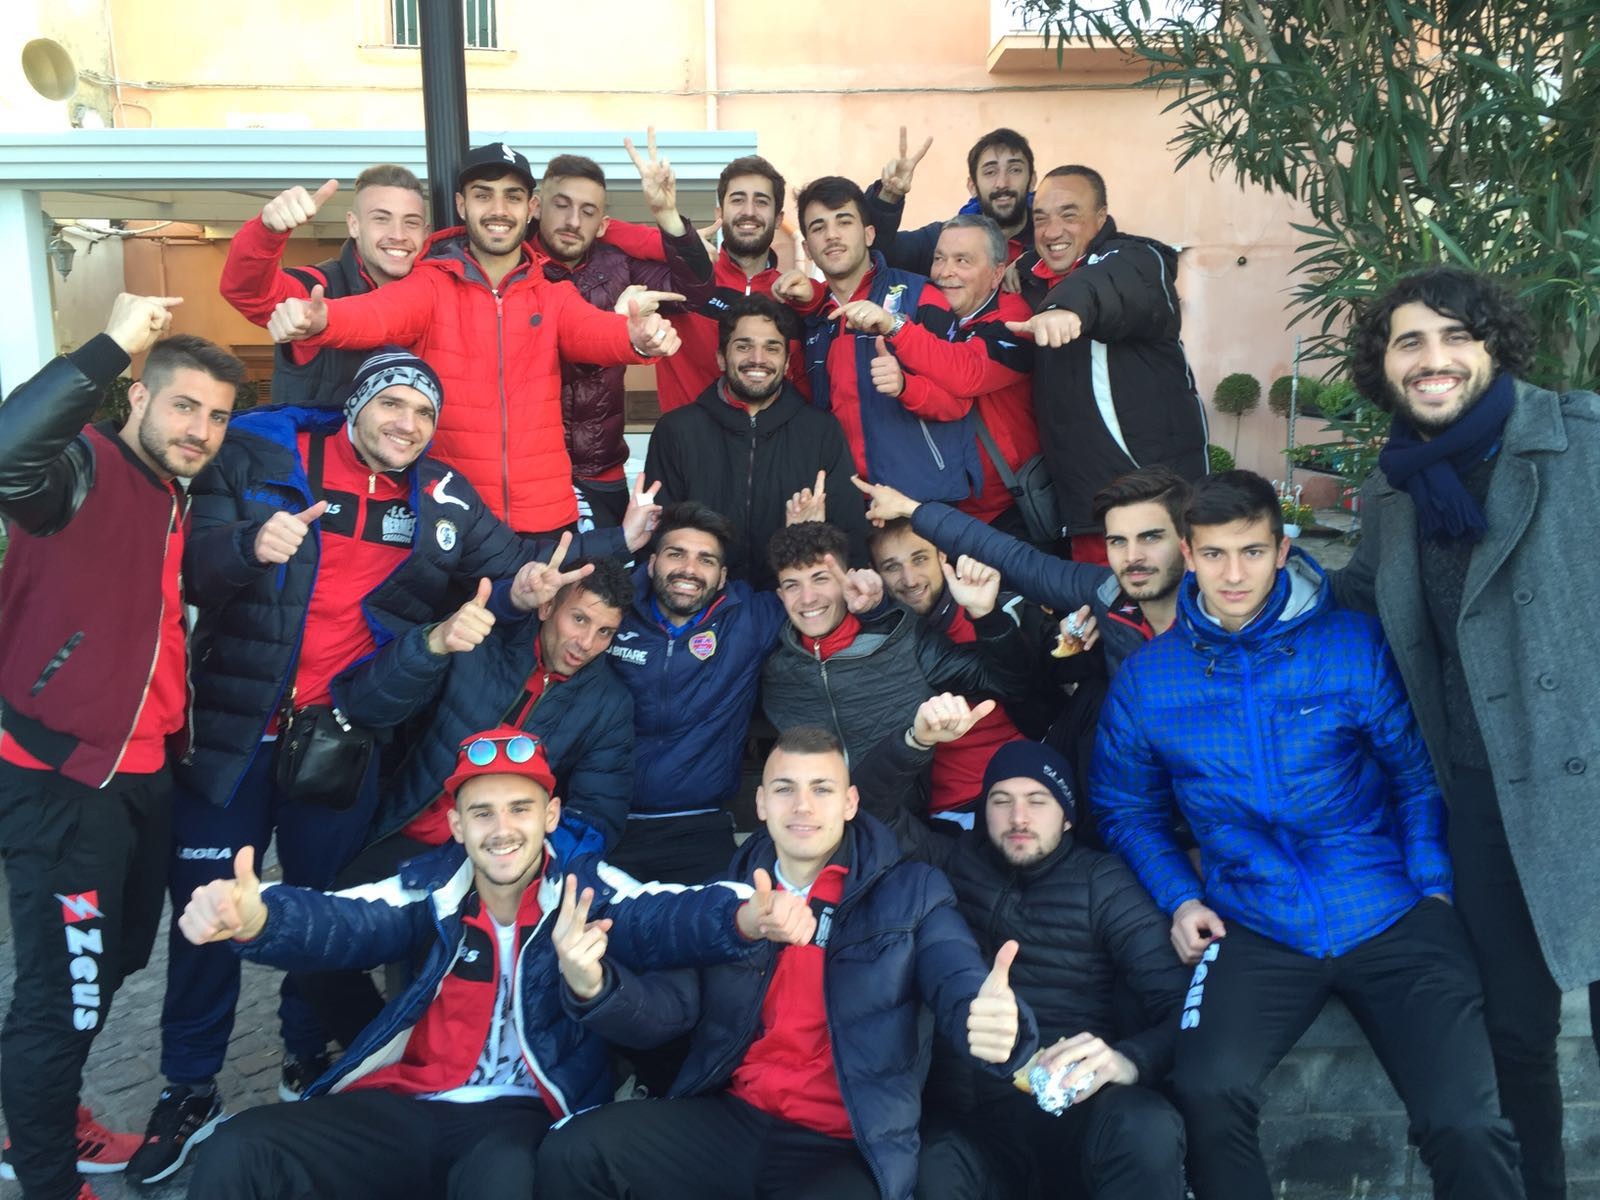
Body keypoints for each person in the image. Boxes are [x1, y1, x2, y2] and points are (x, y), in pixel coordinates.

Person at [126, 347, 652, 1186]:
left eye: (423, 413)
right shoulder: (266, 451)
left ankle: (308, 1052)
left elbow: (522, 560)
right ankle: (187, 1088)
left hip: (342, 734)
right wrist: (251, 546)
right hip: (234, 728)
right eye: (393, 404)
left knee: (325, 910)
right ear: (358, 404)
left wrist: (611, 542)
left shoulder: (440, 496)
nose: (407, 424)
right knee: (211, 911)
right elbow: (187, 565)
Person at [1092, 470, 1524, 1200]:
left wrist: (1432, 889)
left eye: (1253, 552)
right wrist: (1180, 897)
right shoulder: (1149, 680)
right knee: (1206, 1090)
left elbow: (1417, 776)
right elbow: (1125, 808)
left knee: (1467, 1122)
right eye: (1215, 554)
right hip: (1255, 921)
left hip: (1389, 909)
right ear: (1188, 556)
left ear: (1282, 549)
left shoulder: (1353, 644)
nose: (1234, 574)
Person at [179, 728, 818, 1200]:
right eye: (482, 812)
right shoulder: (428, 890)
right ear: (456, 825)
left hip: (521, 1117)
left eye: (520, 808)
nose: (502, 828)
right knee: (238, 1149)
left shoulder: (586, 892)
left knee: (506, 1177)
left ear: (551, 816)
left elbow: (667, 915)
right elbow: (341, 922)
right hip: (410, 1104)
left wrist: (745, 917)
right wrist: (259, 918)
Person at [1331, 265, 1600, 1200]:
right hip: (1482, 795)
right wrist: (1241, 590)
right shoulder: (1395, 488)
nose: (1433, 358)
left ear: (1494, 348)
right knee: (1515, 1037)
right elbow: (1359, 602)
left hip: (1591, 777)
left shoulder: (1579, 442)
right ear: (1384, 364)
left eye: (1456, 336)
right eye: (1410, 341)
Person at [535, 725, 1039, 1200]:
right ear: (760, 803)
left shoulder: (913, 891)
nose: (802, 806)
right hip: (733, 1118)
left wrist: (992, 1023)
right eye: (784, 789)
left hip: (846, 1142)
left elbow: (955, 976)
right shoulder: (730, 891)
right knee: (574, 1152)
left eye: (822, 789)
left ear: (850, 802)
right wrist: (595, 986)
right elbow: (669, 1009)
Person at [0, 296, 242, 1200]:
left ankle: (44, 1116)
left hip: (144, 775)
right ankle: (44, 1174)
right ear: (137, 396)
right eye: (183, 405)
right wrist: (109, 345)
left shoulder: (174, 493)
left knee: (112, 964)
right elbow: (5, 454)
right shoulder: (80, 466)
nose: (200, 429)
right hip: (63, 778)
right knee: (62, 993)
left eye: (217, 415)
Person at [853, 696, 1189, 1200]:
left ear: (1068, 817)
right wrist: (915, 741)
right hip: (969, 1122)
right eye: (1001, 800)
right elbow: (866, 818)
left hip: (1076, 1108)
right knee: (927, 1161)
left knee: (1146, 1125)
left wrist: (1130, 1061)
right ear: (982, 810)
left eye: (1038, 800)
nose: (1018, 817)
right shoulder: (951, 862)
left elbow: (1182, 1006)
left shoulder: (1104, 882)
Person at [265, 141, 681, 535]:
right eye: (483, 195)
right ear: (462, 205)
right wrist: (321, 319)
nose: (498, 210)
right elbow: (372, 314)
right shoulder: (429, 284)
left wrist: (638, 337)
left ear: (531, 208)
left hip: (548, 520)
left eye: (512, 197)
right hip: (452, 517)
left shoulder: (552, 293)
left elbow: (595, 331)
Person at [602, 504, 882, 884]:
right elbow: (556, 610)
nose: (689, 569)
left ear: (722, 577)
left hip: (700, 824)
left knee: (724, 916)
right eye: (676, 554)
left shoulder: (749, 617)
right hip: (609, 819)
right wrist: (619, 543)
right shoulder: (611, 611)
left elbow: (817, 605)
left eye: (705, 560)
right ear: (651, 565)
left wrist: (873, 602)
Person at [1006, 165, 1209, 563]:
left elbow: (1108, 282)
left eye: (1069, 214)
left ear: (1101, 218)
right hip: (1085, 511)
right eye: (1041, 218)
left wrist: (1064, 307)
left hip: (1154, 507)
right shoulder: (1033, 276)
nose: (1052, 230)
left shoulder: (1137, 259)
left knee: (1169, 599)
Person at [527, 141, 714, 528]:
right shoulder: (516, 269)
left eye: (587, 211)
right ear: (536, 206)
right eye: (562, 205)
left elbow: (695, 291)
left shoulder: (616, 266)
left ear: (602, 224)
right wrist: (614, 325)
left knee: (610, 565)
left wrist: (667, 215)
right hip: (532, 469)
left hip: (603, 470)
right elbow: (529, 365)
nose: (573, 221)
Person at [855, 466, 1191, 674]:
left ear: (1186, 541)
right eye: (1118, 541)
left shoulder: (1216, 613)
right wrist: (911, 509)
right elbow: (1015, 560)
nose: (1132, 557)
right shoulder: (1108, 593)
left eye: (1150, 537)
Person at [777, 176, 983, 505]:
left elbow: (959, 401)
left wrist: (905, 386)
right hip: (847, 505)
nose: (831, 235)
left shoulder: (921, 295)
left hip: (921, 505)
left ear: (870, 234)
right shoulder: (813, 319)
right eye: (818, 227)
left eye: (844, 221)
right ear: (807, 250)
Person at [834, 214, 1042, 537]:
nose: (945, 272)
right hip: (941, 500)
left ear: (997, 274)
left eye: (963, 261)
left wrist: (895, 326)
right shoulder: (931, 310)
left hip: (1003, 508)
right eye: (939, 259)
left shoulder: (1014, 319)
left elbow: (966, 374)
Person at [644, 294, 871, 588]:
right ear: (721, 357)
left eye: (772, 348)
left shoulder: (821, 431)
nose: (758, 359)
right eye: (744, 346)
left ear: (787, 362)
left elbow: (850, 536)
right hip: (704, 602)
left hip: (792, 602)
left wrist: (814, 536)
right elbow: (658, 535)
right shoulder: (677, 430)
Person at [760, 522, 1031, 768]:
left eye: (821, 579)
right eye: (793, 585)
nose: (807, 598)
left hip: (902, 805)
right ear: (781, 596)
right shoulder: (775, 668)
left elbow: (1010, 683)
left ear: (848, 580)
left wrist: (986, 615)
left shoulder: (905, 640)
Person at [865, 518, 1057, 815]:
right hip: (947, 812)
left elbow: (1035, 688)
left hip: (1024, 790)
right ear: (876, 574)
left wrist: (987, 616)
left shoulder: (1003, 607)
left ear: (942, 556)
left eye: (920, 559)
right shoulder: (876, 637)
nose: (910, 579)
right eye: (892, 567)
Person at [219, 164, 428, 409]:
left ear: (425, 232)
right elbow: (249, 292)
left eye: (411, 222)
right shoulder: (317, 287)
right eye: (381, 219)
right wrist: (266, 232)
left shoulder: (439, 293)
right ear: (353, 225)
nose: (398, 234)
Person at [607, 154, 801, 413]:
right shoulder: (683, 278)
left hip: (772, 438)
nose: (749, 211)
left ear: (778, 218)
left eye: (761, 201)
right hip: (686, 436)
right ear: (719, 213)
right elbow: (601, 229)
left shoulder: (797, 297)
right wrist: (677, 241)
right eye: (737, 199)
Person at [864, 127, 1039, 274]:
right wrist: (888, 198)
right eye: (990, 172)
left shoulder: (1048, 242)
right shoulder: (941, 239)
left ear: (1032, 180)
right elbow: (876, 254)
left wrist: (1032, 260)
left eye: (1014, 170)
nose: (1002, 183)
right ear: (972, 186)